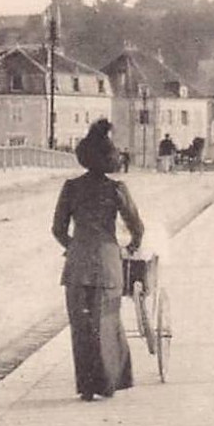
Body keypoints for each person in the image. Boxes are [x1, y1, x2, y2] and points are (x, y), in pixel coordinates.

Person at [52, 119, 145, 402]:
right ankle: (109, 383)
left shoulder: (70, 188)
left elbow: (57, 229)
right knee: (106, 323)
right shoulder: (116, 189)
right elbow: (137, 227)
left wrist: (74, 245)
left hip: (77, 265)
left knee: (81, 328)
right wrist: (132, 247)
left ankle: (87, 388)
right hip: (107, 264)